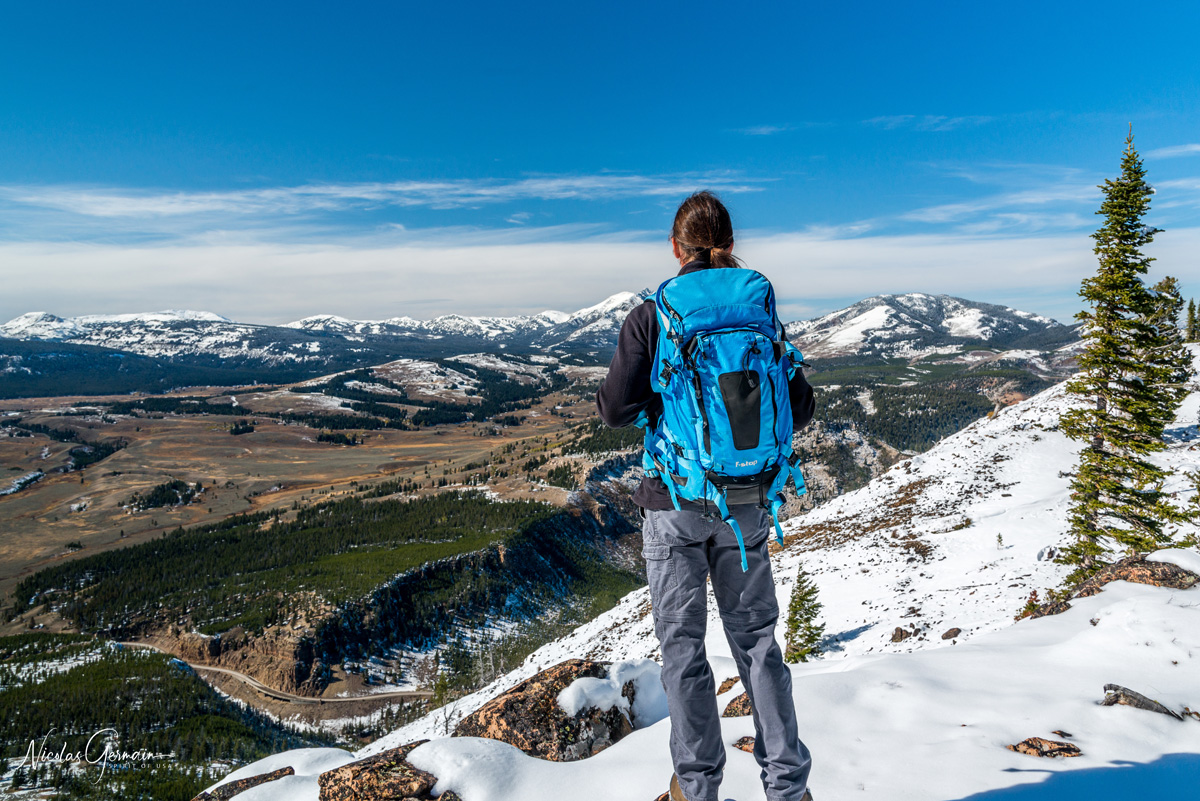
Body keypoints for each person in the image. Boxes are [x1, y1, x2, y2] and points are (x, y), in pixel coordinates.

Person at [596, 191, 815, 801]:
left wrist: (663, 397)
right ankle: (789, 790)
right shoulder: (757, 306)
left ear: (676, 246)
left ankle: (698, 790)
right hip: (745, 504)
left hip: (675, 504)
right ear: (730, 241)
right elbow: (798, 404)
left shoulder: (654, 314)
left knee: (683, 653)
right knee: (760, 645)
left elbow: (614, 409)